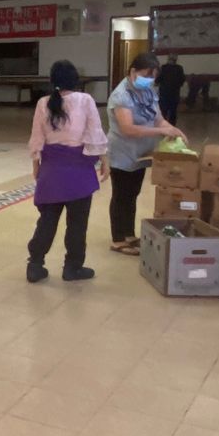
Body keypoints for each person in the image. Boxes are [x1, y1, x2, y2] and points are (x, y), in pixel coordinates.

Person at [25, 61, 108, 283]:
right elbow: (95, 133)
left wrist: (36, 166)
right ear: (75, 79)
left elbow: (37, 138)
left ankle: (35, 265)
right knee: (77, 223)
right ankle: (72, 268)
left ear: (53, 81)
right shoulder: (85, 100)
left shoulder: (43, 103)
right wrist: (104, 160)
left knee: (47, 220)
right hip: (79, 169)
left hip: (52, 170)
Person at [105, 51, 184, 255]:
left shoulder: (148, 91)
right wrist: (161, 131)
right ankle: (118, 239)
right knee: (121, 195)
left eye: (152, 77)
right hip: (123, 152)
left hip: (141, 152)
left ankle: (129, 234)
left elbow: (157, 118)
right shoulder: (121, 95)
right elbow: (128, 129)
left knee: (133, 194)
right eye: (146, 75)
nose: (149, 80)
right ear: (133, 71)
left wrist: (172, 129)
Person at [156, 57, 186, 126]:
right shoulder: (179, 68)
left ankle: (162, 125)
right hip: (174, 93)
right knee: (173, 111)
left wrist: (157, 82)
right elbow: (182, 80)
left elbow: (158, 79)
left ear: (168, 60)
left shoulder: (164, 68)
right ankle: (172, 126)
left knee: (163, 111)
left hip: (164, 93)